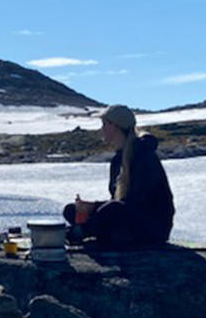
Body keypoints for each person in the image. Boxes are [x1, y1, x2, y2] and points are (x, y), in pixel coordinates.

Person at [63, 104, 175, 248]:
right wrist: (90, 207)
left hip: (153, 229)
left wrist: (95, 209)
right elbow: (120, 202)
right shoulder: (118, 159)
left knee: (112, 210)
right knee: (71, 210)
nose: (101, 129)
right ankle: (87, 231)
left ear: (114, 126)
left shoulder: (143, 157)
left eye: (104, 124)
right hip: (129, 220)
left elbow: (133, 204)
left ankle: (79, 233)